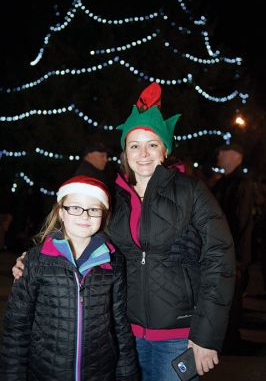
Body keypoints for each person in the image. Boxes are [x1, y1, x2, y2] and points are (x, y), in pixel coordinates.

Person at [12, 83, 235, 381]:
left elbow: (220, 260)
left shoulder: (192, 191)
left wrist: (207, 336)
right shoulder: (115, 197)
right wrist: (34, 258)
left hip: (179, 336)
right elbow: (83, 236)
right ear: (124, 152)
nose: (143, 153)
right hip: (123, 334)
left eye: (152, 144)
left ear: (165, 149)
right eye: (134, 145)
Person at [0, 175, 139, 381]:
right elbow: (16, 328)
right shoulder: (36, 261)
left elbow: (120, 325)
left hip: (100, 372)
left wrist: (127, 374)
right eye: (74, 207)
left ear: (103, 215)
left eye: (93, 209)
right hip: (46, 372)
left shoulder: (113, 261)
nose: (84, 216)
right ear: (60, 213)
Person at [212, 143, 254, 353]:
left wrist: (237, 256)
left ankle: (231, 339)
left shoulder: (240, 184)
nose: (219, 153)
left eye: (224, 151)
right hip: (223, 251)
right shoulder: (224, 183)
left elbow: (241, 222)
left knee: (232, 299)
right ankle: (227, 337)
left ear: (236, 156)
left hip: (231, 253)